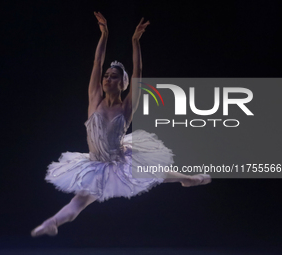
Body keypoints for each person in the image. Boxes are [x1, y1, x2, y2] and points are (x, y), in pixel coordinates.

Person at [31, 11, 211, 237]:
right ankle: (52, 223)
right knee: (79, 201)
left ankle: (189, 179)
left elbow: (139, 73)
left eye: (113, 76)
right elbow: (97, 61)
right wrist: (104, 34)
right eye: (106, 75)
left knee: (153, 170)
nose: (107, 78)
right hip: (95, 164)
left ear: (123, 83)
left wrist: (135, 41)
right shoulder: (94, 98)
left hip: (118, 160)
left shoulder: (127, 107)